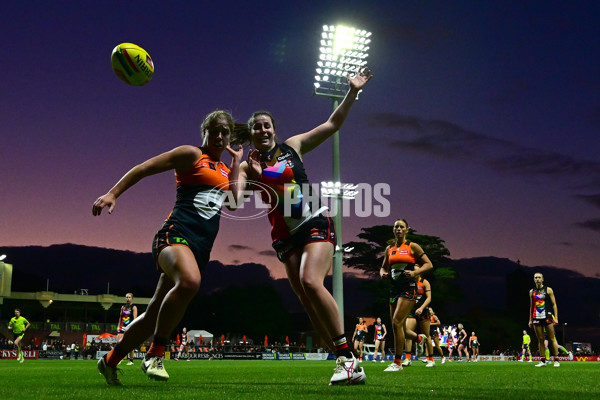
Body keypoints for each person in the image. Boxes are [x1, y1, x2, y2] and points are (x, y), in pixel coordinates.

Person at [237, 68, 373, 385]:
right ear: (252, 134)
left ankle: (349, 359)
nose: (262, 130)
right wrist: (248, 174)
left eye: (266, 125)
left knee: (312, 282)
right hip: (284, 237)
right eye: (256, 127)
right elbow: (233, 202)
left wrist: (352, 92)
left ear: (274, 129)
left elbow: (332, 124)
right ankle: (344, 361)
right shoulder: (246, 164)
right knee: (307, 302)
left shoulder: (293, 146)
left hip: (313, 220)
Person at [93, 110, 243, 384]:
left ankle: (110, 361)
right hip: (174, 234)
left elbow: (234, 203)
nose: (220, 136)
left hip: (199, 247)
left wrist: (236, 165)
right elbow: (145, 167)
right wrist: (113, 193)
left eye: (225, 132)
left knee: (152, 316)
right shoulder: (191, 154)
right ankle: (155, 354)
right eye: (214, 130)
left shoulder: (225, 169)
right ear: (205, 132)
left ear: (230, 136)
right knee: (189, 282)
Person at [380, 218, 433, 372]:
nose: (398, 229)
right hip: (394, 288)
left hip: (408, 287)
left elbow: (429, 264)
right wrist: (383, 274)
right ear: (393, 230)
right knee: (399, 326)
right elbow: (383, 268)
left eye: (401, 227)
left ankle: (397, 362)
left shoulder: (412, 247)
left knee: (396, 322)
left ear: (407, 230)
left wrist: (416, 272)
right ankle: (418, 338)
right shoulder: (389, 249)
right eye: (396, 227)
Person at [402, 271, 433, 367]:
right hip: (411, 311)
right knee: (408, 333)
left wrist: (421, 308)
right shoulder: (409, 283)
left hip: (423, 311)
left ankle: (431, 360)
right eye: (413, 271)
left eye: (416, 271)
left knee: (427, 335)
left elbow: (429, 298)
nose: (414, 273)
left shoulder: (424, 282)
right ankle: (407, 359)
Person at [528, 272, 560, 367]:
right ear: (534, 279)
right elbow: (531, 306)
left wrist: (556, 318)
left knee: (551, 338)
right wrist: (530, 320)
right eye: (535, 277)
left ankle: (556, 360)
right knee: (540, 339)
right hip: (536, 317)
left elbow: (554, 304)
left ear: (542, 279)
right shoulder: (531, 292)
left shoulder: (548, 290)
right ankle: (543, 361)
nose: (537, 279)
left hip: (547, 316)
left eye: (539, 277)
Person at [117, 293, 138, 365]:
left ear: (132, 298)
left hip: (130, 327)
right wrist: (118, 326)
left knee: (130, 344)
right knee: (118, 343)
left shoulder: (134, 307)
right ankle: (119, 359)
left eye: (129, 297)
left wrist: (133, 327)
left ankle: (131, 360)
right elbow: (120, 317)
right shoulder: (123, 307)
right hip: (122, 327)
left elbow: (135, 319)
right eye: (126, 297)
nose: (128, 299)